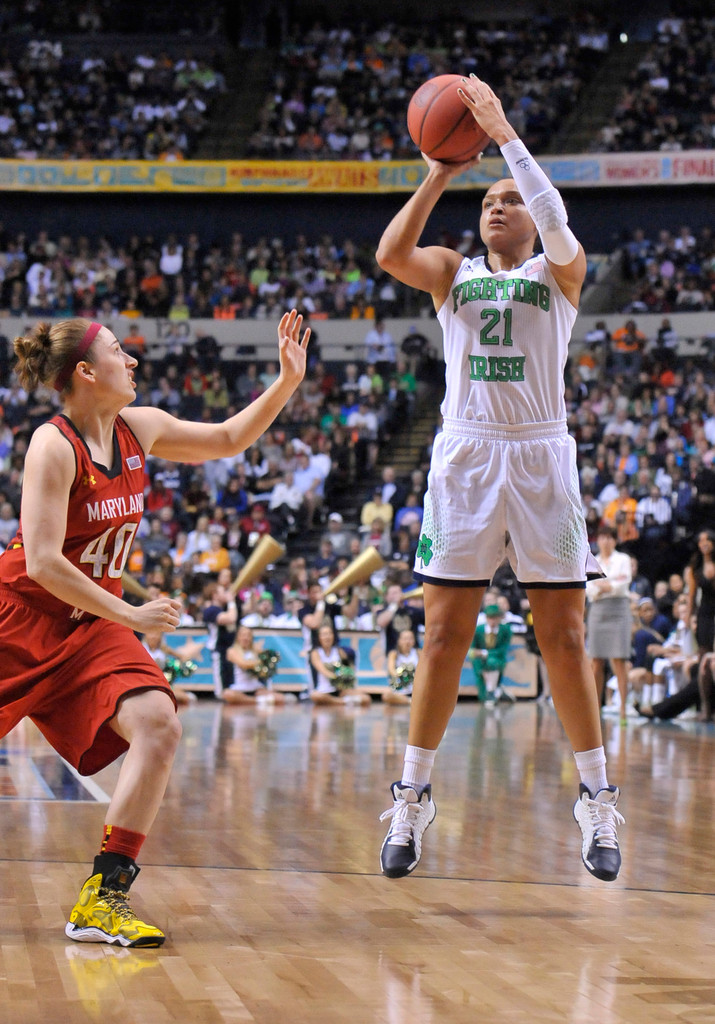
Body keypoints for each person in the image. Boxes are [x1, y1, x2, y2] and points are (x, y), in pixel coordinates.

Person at [375, 75, 624, 885]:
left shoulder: (558, 274)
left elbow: (557, 224)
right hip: (466, 457)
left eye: (508, 198)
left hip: (541, 457)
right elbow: (388, 255)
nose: (498, 205)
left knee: (565, 637)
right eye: (487, 199)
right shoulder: (452, 271)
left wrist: (506, 138)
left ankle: (594, 798)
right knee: (442, 635)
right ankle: (411, 794)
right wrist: (442, 168)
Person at [0, 310, 309, 947]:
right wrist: (132, 616)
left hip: (90, 623)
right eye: (120, 352)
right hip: (22, 618)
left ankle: (103, 897)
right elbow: (44, 561)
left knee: (158, 725)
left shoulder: (139, 428)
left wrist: (285, 382)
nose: (133, 362)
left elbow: (227, 439)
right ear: (86, 372)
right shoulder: (53, 445)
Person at [586, 525, 633, 722]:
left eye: (610, 537)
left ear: (615, 540)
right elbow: (587, 586)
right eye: (603, 537)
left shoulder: (623, 559)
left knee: (619, 660)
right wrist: (605, 587)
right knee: (596, 661)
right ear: (598, 540)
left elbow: (624, 582)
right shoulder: (591, 559)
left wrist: (606, 586)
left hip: (619, 610)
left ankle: (623, 708)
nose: (606, 541)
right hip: (597, 610)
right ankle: (595, 708)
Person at [308, 621, 370, 706]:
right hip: (324, 691)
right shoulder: (315, 653)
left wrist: (347, 678)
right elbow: (323, 670)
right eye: (324, 634)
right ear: (319, 637)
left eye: (330, 634)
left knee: (366, 698)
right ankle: (341, 702)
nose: (327, 637)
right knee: (315, 696)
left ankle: (340, 700)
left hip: (341, 690)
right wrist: (337, 679)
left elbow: (349, 668)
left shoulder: (339, 651)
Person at [468, 602, 513, 703]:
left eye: (495, 618)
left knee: (492, 662)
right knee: (483, 697)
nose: (492, 621)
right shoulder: (478, 630)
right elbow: (471, 649)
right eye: (490, 617)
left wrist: (484, 653)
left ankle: (493, 690)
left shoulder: (506, 630)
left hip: (497, 659)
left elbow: (503, 649)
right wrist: (475, 653)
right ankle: (496, 691)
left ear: (499, 618)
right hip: (479, 661)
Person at [683, 529, 715, 656]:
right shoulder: (695, 567)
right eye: (701, 541)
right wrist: (687, 618)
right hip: (705, 613)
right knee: (704, 650)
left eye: (707, 539)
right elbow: (692, 595)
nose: (704, 543)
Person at [383, 628, 420, 706]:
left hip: (416, 689)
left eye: (410, 638)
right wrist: (403, 674)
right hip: (400, 689)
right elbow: (391, 669)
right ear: (399, 641)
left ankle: (414, 700)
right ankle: (410, 701)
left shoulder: (418, 653)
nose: (407, 641)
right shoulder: (394, 654)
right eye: (405, 639)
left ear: (414, 641)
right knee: (386, 696)